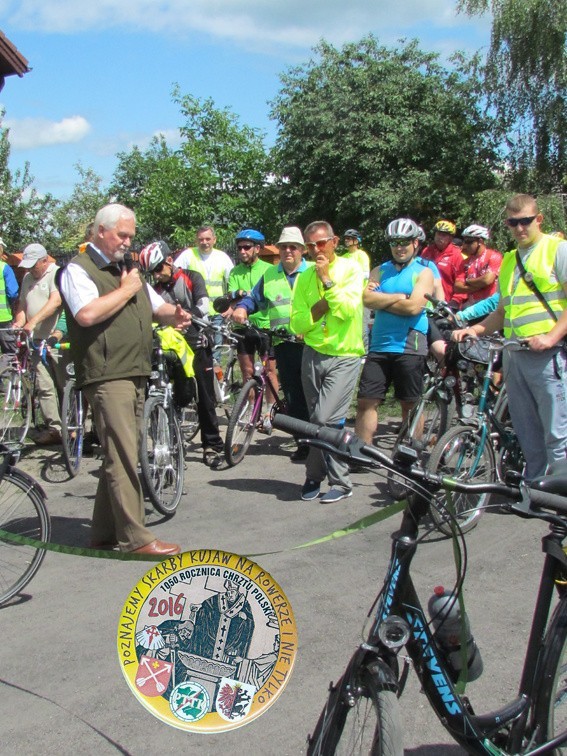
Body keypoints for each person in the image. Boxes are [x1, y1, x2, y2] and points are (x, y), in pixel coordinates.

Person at [59, 203, 191, 555]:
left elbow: (154, 307)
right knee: (123, 455)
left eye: (131, 235)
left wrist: (173, 314)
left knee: (121, 452)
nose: (128, 242)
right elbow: (86, 314)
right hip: (106, 373)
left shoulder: (127, 270)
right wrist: (127, 288)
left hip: (134, 369)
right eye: (122, 235)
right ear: (101, 231)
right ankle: (135, 539)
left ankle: (103, 533)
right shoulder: (78, 270)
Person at [452, 194, 567, 479]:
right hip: (514, 353)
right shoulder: (510, 260)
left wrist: (552, 337)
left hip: (546, 354)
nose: (519, 228)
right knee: (527, 430)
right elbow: (503, 310)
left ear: (538, 219)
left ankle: (561, 504)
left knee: (556, 433)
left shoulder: (557, 249)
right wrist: (475, 329)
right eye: (512, 222)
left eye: (525, 221)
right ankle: (536, 489)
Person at [290, 220, 364, 502]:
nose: (316, 250)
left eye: (321, 243)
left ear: (334, 242)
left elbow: (346, 310)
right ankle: (332, 481)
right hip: (312, 354)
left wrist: (327, 281)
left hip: (344, 355)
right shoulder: (304, 277)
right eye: (310, 246)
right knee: (320, 422)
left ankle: (318, 475)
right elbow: (297, 323)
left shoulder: (351, 269)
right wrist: (320, 310)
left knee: (323, 419)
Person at [138, 240, 224, 467]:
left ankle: (212, 446)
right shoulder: (154, 290)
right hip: (170, 348)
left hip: (196, 343)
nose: (155, 276)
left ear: (168, 261)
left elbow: (205, 305)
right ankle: (167, 445)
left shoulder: (191, 276)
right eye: (150, 273)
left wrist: (185, 319)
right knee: (171, 394)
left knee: (205, 397)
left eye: (157, 269)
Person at [231, 226, 311, 460]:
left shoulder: (313, 271)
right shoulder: (271, 275)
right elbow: (253, 298)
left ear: (302, 250)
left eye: (293, 247)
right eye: (284, 246)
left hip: (313, 343)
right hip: (284, 343)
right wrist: (242, 308)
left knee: (313, 395)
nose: (288, 251)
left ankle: (323, 443)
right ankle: (303, 443)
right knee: (295, 395)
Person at [355, 218, 434, 444]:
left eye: (405, 242)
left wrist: (384, 301)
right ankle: (362, 451)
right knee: (366, 401)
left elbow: (413, 307)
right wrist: (398, 297)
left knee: (409, 403)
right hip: (379, 344)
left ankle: (411, 452)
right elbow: (367, 298)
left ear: (415, 243)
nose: (399, 247)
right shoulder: (380, 270)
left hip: (410, 344)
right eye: (394, 242)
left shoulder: (424, 272)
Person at [13, 243, 66, 445]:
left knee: (63, 384)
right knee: (44, 386)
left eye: (33, 264)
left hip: (56, 339)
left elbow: (55, 301)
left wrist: (33, 322)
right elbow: (22, 305)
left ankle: (71, 427)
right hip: (36, 341)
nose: (30, 269)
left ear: (44, 260)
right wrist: (20, 321)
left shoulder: (56, 273)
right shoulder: (27, 278)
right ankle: (54, 428)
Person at [228, 229, 279, 427]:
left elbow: (268, 297)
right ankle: (251, 407)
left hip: (265, 325)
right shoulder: (235, 271)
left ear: (257, 249)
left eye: (247, 247)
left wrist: (244, 296)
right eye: (239, 247)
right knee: (247, 371)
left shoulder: (269, 270)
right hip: (242, 326)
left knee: (270, 371)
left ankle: (269, 410)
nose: (242, 251)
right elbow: (234, 296)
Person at [174, 225, 234, 361]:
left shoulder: (222, 257)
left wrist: (231, 306)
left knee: (216, 352)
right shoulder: (188, 255)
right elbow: (175, 276)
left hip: (218, 312)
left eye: (208, 239)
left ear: (214, 239)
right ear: (196, 240)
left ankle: (215, 380)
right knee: (198, 350)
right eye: (201, 239)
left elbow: (232, 283)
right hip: (197, 313)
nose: (204, 242)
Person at [190, 579, 255, 663]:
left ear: (237, 592)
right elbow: (207, 605)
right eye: (228, 592)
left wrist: (245, 618)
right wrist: (199, 608)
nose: (229, 595)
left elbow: (250, 624)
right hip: (213, 639)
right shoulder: (219, 598)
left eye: (232, 592)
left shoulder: (244, 604)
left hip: (230, 645)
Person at [421, 219, 466, 307]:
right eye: (438, 234)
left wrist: (455, 301)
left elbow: (461, 281)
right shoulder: (427, 251)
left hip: (446, 303)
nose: (439, 237)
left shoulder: (456, 255)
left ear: (451, 238)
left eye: (444, 235)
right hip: (425, 300)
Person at [454, 224, 502, 306]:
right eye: (464, 242)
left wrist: (468, 281)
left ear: (480, 241)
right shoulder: (465, 262)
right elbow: (457, 287)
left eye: (469, 242)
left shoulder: (494, 256)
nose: (465, 245)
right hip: (472, 307)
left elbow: (487, 280)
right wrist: (479, 286)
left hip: (490, 305)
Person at [341, 228, 372, 350]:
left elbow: (365, 274)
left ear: (356, 240)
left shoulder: (361, 255)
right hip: (347, 296)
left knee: (362, 324)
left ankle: (364, 351)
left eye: (349, 239)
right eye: (346, 239)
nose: (347, 241)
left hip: (360, 296)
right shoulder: (343, 257)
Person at [0, 240, 19, 353]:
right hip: (3, 317)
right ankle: (7, 370)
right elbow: (12, 292)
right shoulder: (4, 268)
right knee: (10, 353)